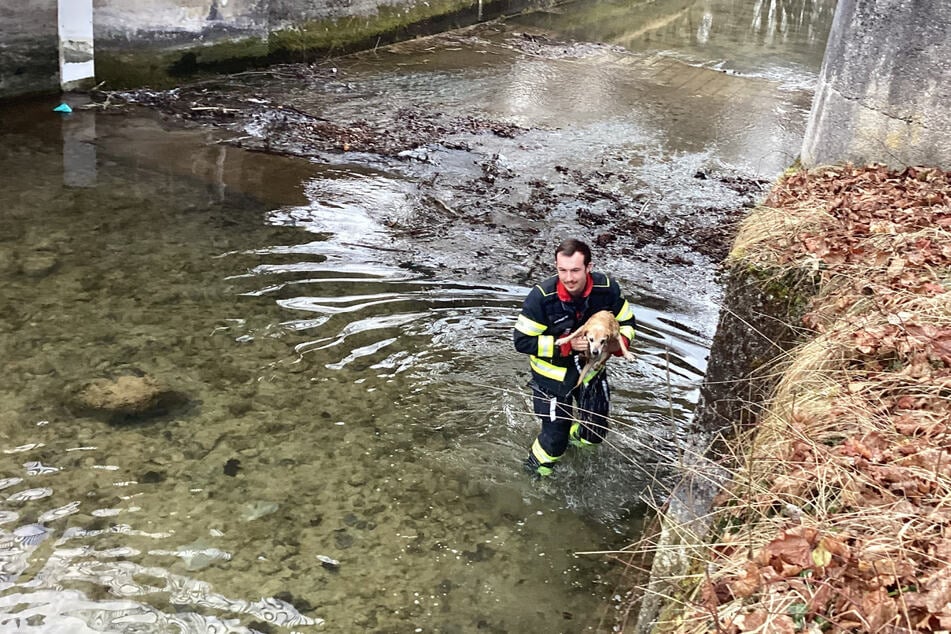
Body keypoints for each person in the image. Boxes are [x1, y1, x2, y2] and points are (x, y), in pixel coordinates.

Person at [513, 238, 637, 477]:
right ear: (556, 267)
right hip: (551, 378)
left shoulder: (607, 290)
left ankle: (575, 448)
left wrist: (617, 346)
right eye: (562, 270)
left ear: (589, 267)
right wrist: (566, 347)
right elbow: (522, 341)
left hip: (591, 371)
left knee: (595, 433)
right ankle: (535, 475)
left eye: (575, 271)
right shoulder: (541, 298)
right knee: (554, 438)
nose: (569, 278)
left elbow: (627, 323)